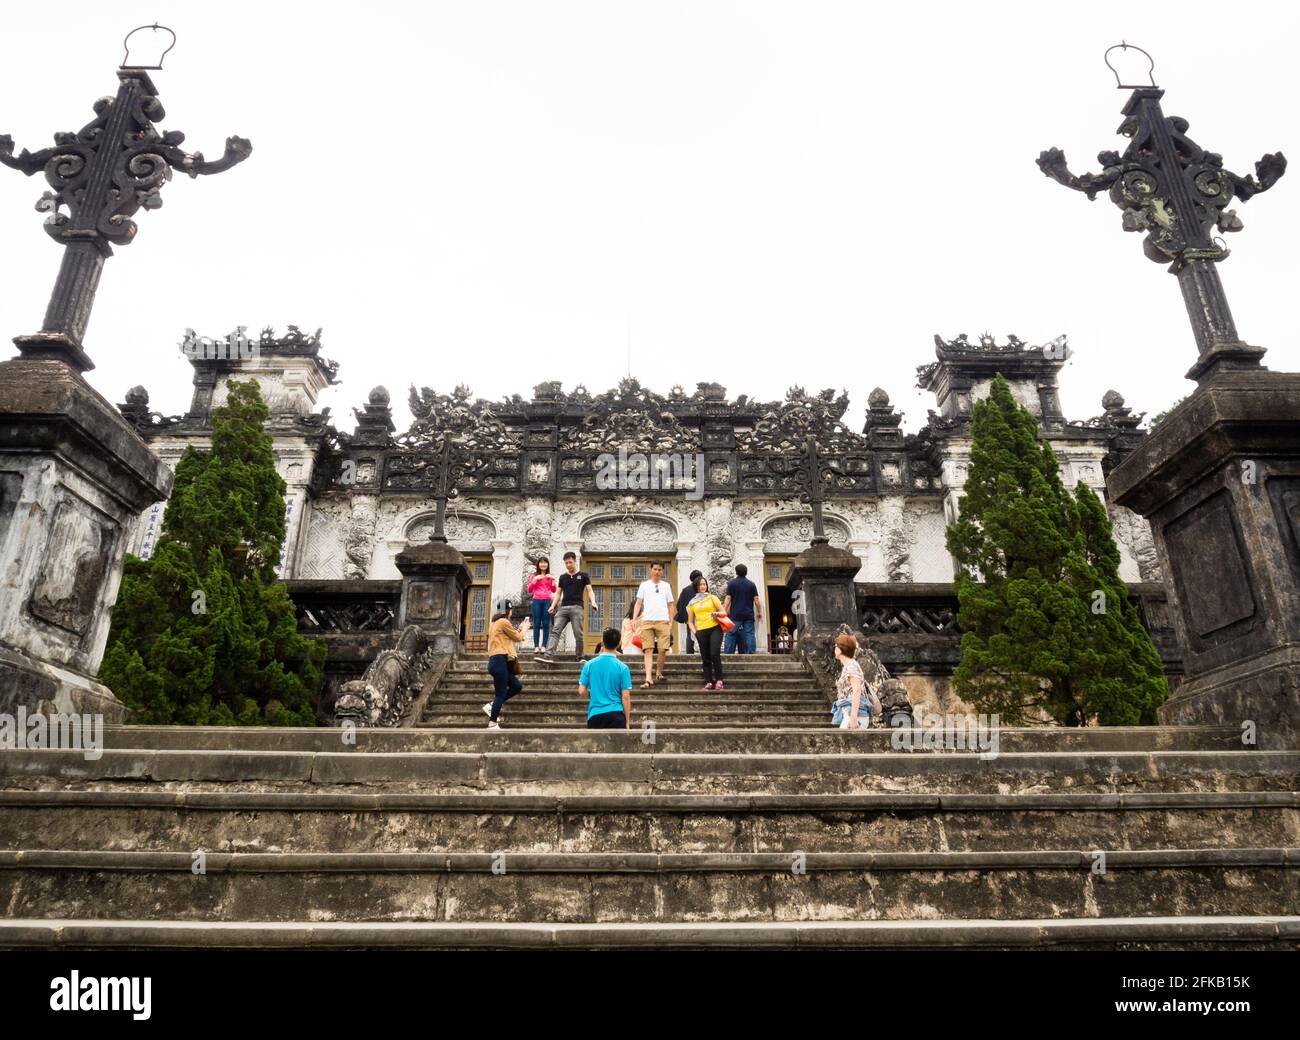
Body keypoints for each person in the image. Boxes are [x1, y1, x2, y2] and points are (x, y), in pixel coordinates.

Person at [538, 551, 596, 663]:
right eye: (566, 563)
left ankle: (580, 657)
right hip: (563, 608)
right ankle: (548, 656)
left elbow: (589, 590)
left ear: (575, 561)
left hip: (577, 607)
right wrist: (553, 606)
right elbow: (559, 593)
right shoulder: (563, 577)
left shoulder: (583, 576)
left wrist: (593, 602)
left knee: (578, 633)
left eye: (570, 562)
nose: (568, 565)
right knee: (555, 631)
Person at [631, 560, 675, 688]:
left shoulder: (666, 586)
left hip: (663, 621)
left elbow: (671, 604)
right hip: (647, 621)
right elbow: (638, 602)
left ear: (662, 571)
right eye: (655, 569)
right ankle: (648, 678)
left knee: (662, 649)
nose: (657, 572)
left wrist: (671, 621)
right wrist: (634, 619)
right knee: (648, 650)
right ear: (651, 570)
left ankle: (659, 672)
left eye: (659, 569)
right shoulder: (644, 585)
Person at [580, 628, 634, 730]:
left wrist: (591, 694)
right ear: (618, 644)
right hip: (616, 714)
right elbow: (625, 697)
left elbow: (581, 691)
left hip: (595, 715)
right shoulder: (622, 667)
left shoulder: (589, 665)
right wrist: (627, 722)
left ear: (602, 642)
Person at [483, 610, 525, 730]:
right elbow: (518, 637)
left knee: (516, 686)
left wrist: (518, 629)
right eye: (511, 610)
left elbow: (508, 637)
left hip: (496, 662)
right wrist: (525, 628)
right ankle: (492, 723)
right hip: (499, 661)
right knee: (500, 694)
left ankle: (492, 706)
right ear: (508, 610)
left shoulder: (495, 623)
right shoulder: (503, 621)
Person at [686, 575, 725, 691]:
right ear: (696, 587)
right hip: (701, 631)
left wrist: (717, 614)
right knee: (705, 657)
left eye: (704, 584)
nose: (702, 586)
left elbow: (723, 612)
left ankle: (719, 680)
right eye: (700, 585)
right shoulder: (692, 603)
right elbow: (690, 622)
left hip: (715, 628)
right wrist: (696, 632)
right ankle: (708, 681)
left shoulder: (712, 598)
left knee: (714, 653)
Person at [830, 632, 872, 730]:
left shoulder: (851, 666)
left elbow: (857, 690)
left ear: (841, 648)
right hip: (850, 714)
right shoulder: (849, 665)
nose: (834, 649)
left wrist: (853, 718)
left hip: (855, 716)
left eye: (836, 646)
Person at [722, 563, 761, 654]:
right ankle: (751, 652)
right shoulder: (751, 584)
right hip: (748, 614)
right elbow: (756, 600)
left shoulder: (732, 584)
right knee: (749, 633)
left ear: (736, 572)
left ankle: (728, 653)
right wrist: (759, 612)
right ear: (746, 572)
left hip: (735, 614)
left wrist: (723, 611)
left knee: (731, 633)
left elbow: (728, 598)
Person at [526, 557, 557, 651]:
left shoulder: (550, 576)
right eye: (541, 563)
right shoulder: (534, 576)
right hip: (536, 601)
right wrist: (535, 579)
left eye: (545, 563)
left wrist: (553, 580)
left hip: (547, 601)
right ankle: (536, 646)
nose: (543, 564)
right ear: (538, 564)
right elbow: (529, 590)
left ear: (548, 564)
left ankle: (544, 646)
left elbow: (554, 590)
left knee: (546, 623)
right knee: (536, 623)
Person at [675, 569, 703, 655]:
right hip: (701, 616)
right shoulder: (702, 589)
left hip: (689, 617)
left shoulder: (685, 590)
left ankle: (689, 654)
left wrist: (684, 615)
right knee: (702, 634)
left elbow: (679, 604)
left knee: (689, 635)